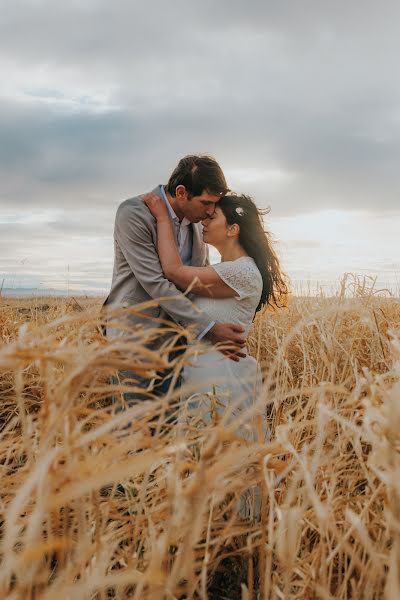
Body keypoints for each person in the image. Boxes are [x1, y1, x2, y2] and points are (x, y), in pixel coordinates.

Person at [103, 155, 247, 404]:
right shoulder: (134, 213)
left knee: (169, 429)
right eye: (206, 202)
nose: (211, 211)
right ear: (181, 192)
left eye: (215, 204)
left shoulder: (199, 225)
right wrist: (209, 329)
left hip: (178, 343)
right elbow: (154, 282)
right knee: (130, 429)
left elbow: (200, 277)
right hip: (134, 340)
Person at [143, 191, 288, 440]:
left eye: (213, 217)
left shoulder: (242, 272)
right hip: (204, 376)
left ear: (232, 229)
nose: (204, 222)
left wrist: (163, 218)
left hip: (220, 380)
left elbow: (173, 271)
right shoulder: (224, 269)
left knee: (220, 463)